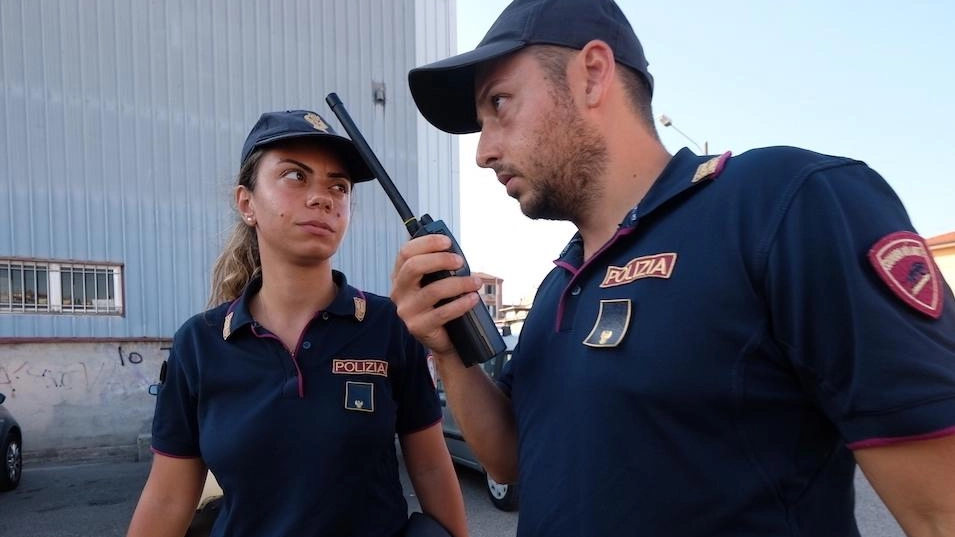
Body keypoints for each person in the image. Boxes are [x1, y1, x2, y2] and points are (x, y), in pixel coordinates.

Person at [390, 0, 955, 535]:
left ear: (591, 73)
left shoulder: (782, 208)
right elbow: (511, 457)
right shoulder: (559, 286)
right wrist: (448, 347)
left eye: (499, 104)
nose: (483, 149)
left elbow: (940, 511)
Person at [127, 110, 468, 537]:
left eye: (338, 186)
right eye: (294, 176)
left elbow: (433, 468)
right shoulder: (199, 343)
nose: (322, 197)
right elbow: (168, 498)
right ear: (246, 203)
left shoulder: (389, 326)